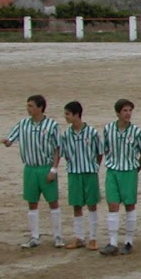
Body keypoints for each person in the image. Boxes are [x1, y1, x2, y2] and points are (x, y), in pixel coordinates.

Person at [1, 93, 61, 248]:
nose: (28, 109)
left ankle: (58, 236)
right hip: (30, 168)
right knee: (32, 202)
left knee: (53, 202)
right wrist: (6, 142)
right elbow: (10, 140)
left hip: (45, 167)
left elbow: (57, 148)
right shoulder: (23, 124)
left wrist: (53, 169)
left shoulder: (52, 125)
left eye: (31, 106)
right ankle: (34, 236)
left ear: (40, 108)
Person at [98, 98, 141, 255]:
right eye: (125, 110)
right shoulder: (108, 129)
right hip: (113, 171)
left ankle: (128, 241)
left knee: (129, 205)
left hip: (129, 172)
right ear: (118, 112)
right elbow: (105, 148)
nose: (128, 113)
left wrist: (135, 169)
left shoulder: (136, 132)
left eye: (130, 110)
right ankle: (112, 242)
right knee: (112, 205)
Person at [56, 100, 102, 250]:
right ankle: (79, 237)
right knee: (77, 205)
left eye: (68, 114)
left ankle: (93, 238)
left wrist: (95, 166)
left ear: (76, 115)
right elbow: (63, 153)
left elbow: (99, 152)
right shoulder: (66, 135)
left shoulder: (92, 132)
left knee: (92, 205)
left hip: (89, 172)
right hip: (74, 173)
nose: (66, 117)